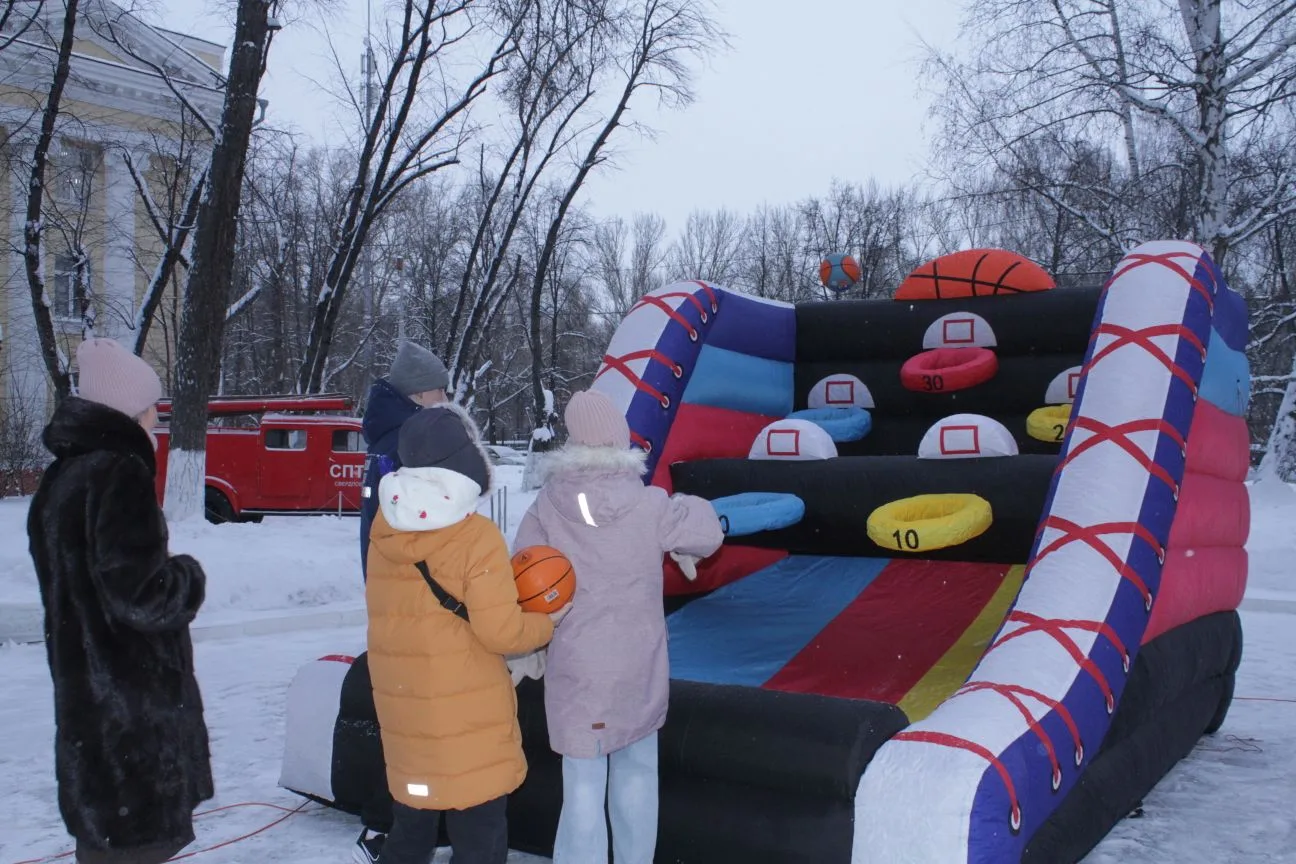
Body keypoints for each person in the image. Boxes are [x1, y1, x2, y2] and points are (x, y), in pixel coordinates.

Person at [513, 389, 724, 864]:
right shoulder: (651, 504)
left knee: (582, 790)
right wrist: (685, 516)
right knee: (638, 777)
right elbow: (708, 534)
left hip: (578, 671)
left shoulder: (547, 505)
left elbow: (523, 575)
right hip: (637, 668)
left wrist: (528, 646)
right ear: (619, 438)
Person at [27, 337, 212, 864]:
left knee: (104, 843)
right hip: (132, 708)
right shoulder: (119, 473)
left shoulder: (64, 476)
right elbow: (141, 596)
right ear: (129, 410)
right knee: (136, 844)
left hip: (88, 699)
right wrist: (187, 577)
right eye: (151, 406)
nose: (156, 416)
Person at [360, 403, 563, 864]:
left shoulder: (383, 529)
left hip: (404, 710)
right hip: (466, 718)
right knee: (479, 838)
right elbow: (502, 633)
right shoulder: (476, 537)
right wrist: (546, 623)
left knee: (411, 830)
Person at [359, 340, 450, 581]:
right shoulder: (411, 441)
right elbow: (429, 521)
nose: (446, 399)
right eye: (440, 391)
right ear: (419, 394)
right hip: (413, 581)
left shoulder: (386, 438)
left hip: (385, 575)